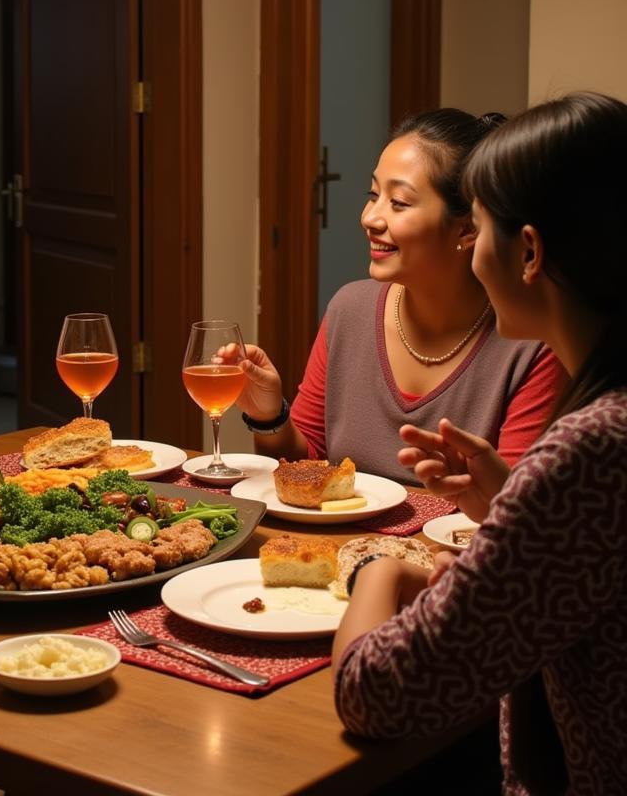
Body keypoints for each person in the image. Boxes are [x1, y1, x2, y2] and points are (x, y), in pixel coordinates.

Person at [333, 92, 627, 794]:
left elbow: (375, 691)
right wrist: (509, 505)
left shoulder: (591, 451)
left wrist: (381, 566)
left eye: (483, 226)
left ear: (528, 252)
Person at [230, 109, 563, 481]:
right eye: (373, 195)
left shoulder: (530, 345)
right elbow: (307, 467)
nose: (370, 217)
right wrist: (269, 415)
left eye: (399, 203)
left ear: (468, 228)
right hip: (338, 542)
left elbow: (516, 511)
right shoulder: (349, 310)